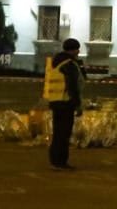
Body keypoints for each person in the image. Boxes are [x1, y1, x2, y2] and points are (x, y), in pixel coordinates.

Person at [44, 37, 83, 171]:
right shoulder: (69, 64)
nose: (79, 51)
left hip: (56, 102)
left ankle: (55, 161)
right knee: (64, 134)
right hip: (66, 103)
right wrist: (78, 104)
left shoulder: (57, 62)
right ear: (73, 50)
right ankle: (61, 162)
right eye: (77, 48)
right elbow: (73, 86)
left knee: (58, 133)